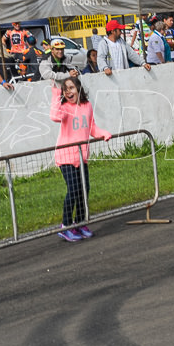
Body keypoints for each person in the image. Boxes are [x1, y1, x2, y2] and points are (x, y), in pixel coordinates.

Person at [50, 77, 111, 242]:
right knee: (73, 190)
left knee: (84, 190)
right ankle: (66, 225)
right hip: (66, 156)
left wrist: (103, 133)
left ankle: (81, 222)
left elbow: (91, 127)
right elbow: (55, 116)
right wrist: (56, 94)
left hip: (81, 156)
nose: (68, 92)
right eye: (65, 89)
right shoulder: (64, 107)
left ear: (78, 88)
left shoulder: (87, 106)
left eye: (71, 88)